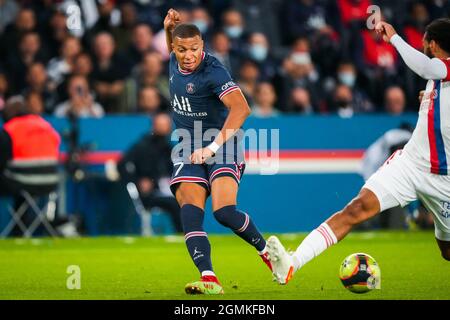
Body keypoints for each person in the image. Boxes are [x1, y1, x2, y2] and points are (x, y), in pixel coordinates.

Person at [266, 18, 450, 285]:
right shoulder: (438, 80)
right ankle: (291, 265)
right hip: (410, 166)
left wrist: (395, 38)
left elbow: (425, 67)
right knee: (356, 208)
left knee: (446, 251)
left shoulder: (439, 68)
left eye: (423, 41)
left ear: (432, 44)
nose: (421, 45)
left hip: (445, 179)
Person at [164, 9, 272, 295]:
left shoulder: (213, 71)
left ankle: (268, 252)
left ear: (203, 46)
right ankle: (209, 277)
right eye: (182, 49)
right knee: (190, 213)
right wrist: (169, 29)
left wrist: (210, 148)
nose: (188, 55)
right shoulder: (173, 60)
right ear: (173, 48)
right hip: (187, 147)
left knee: (224, 212)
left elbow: (242, 108)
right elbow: (174, 43)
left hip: (222, 144)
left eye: (195, 49)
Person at [0, 96, 60, 236]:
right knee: (19, 184)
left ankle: (18, 228)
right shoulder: (45, 125)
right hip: (51, 183)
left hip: (22, 182)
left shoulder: (10, 129)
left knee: (12, 180)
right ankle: (21, 228)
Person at [118, 112, 182, 233]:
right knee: (174, 203)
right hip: (150, 194)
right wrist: (137, 182)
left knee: (185, 198)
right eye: (161, 125)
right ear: (154, 126)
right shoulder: (142, 146)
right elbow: (122, 165)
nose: (164, 128)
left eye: (166, 125)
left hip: (167, 189)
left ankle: (190, 232)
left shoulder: (168, 148)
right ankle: (183, 233)